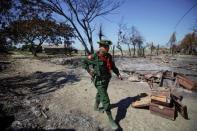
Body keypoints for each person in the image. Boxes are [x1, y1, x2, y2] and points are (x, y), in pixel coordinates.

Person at [82, 40, 122, 130]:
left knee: (100, 94)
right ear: (100, 47)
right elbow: (83, 62)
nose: (108, 48)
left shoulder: (109, 56)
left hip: (107, 79)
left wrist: (118, 74)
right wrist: (89, 71)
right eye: (106, 46)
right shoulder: (94, 56)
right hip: (98, 81)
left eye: (108, 47)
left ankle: (96, 107)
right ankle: (111, 120)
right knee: (105, 99)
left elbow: (112, 66)